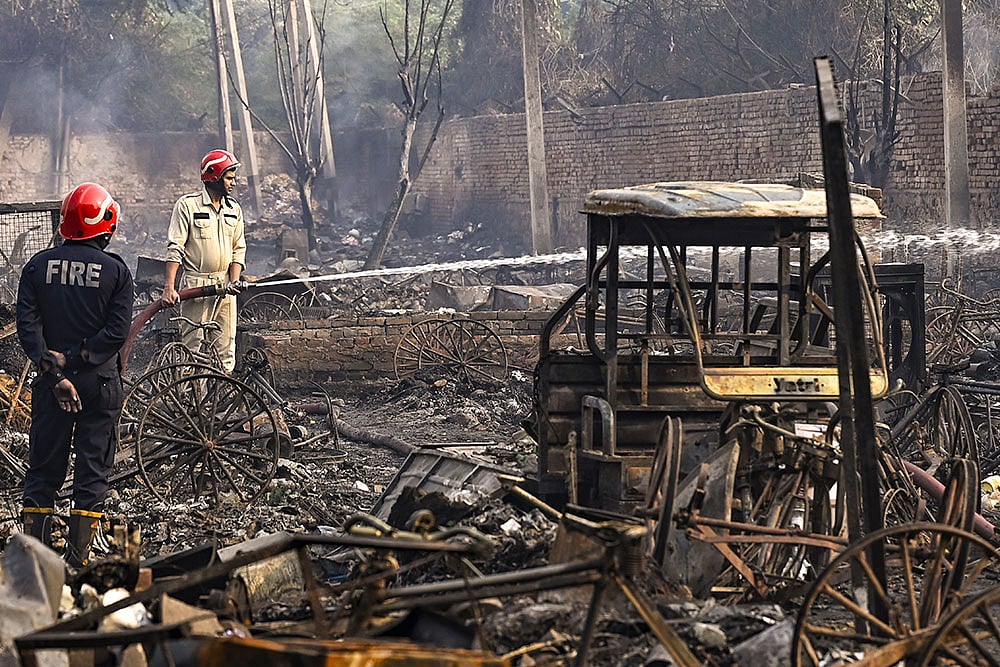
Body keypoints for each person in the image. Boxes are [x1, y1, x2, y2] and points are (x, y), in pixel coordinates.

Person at [17, 182, 135, 568]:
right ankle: (79, 562)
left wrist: (55, 374)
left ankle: (35, 564)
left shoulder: (36, 267)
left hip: (52, 386)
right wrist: (77, 361)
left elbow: (28, 329)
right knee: (92, 472)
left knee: (43, 469)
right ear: (107, 224)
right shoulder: (117, 272)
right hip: (99, 385)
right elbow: (117, 333)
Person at [161, 148, 246, 373]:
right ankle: (192, 402)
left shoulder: (234, 210)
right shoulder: (187, 206)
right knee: (193, 348)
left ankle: (217, 402)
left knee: (225, 349)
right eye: (229, 178)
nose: (233, 183)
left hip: (226, 288)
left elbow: (239, 249)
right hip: (196, 287)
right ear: (214, 176)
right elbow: (175, 248)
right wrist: (169, 288)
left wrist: (234, 281)